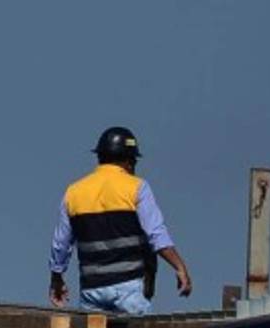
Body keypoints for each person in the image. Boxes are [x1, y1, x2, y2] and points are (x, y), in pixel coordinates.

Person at [49, 127, 192, 314]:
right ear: (129, 161)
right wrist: (180, 267)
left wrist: (56, 279)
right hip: (128, 289)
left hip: (92, 290)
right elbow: (157, 235)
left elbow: (60, 244)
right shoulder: (137, 188)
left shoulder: (74, 192)